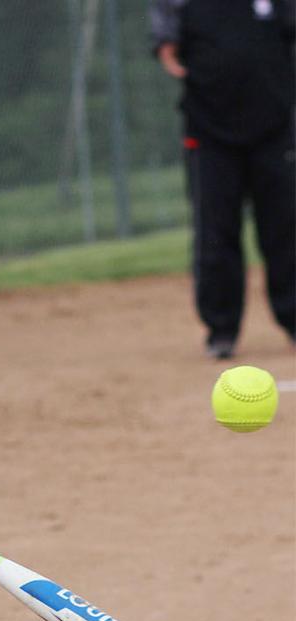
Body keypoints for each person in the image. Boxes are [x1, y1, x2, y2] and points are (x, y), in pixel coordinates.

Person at [149, 0, 296, 360]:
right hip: (209, 128)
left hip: (275, 125)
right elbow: (165, 36)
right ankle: (222, 329)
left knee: (286, 228)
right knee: (215, 233)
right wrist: (169, 52)